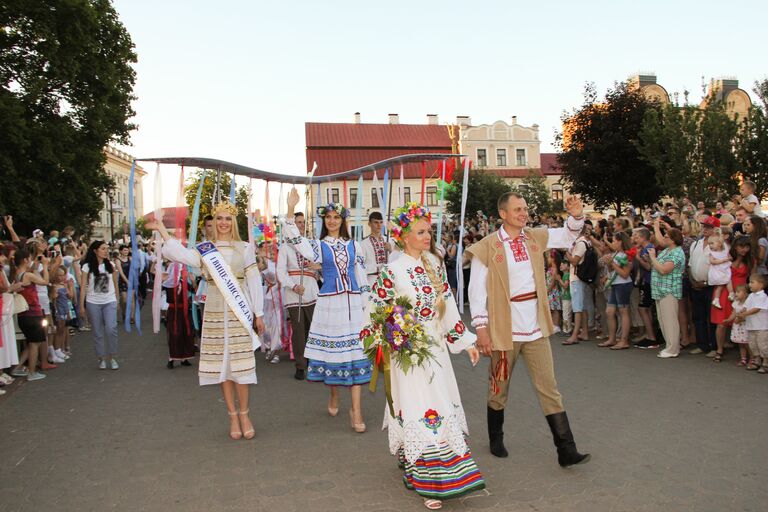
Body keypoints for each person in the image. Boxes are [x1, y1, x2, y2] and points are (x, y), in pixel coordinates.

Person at [365, 202, 484, 510]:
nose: (427, 236)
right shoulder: (393, 269)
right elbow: (378, 310)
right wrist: (398, 334)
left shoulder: (434, 263)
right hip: (409, 354)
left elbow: (448, 304)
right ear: (404, 237)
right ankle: (428, 479)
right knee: (420, 406)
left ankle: (442, 471)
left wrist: (465, 340)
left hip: (436, 350)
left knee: (440, 402)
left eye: (428, 231)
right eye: (420, 232)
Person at [466, 192, 590, 466]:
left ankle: (566, 449)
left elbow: (567, 236)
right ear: (503, 214)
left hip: (535, 326)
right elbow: (475, 292)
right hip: (502, 329)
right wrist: (481, 329)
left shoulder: (534, 236)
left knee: (549, 387)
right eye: (518, 209)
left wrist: (577, 215)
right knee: (499, 387)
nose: (524, 213)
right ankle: (495, 438)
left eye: (525, 209)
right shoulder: (487, 247)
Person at [146, 201, 265, 441]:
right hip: (214, 310)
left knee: (241, 366)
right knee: (223, 367)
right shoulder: (205, 249)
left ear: (234, 223)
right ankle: (232, 416)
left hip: (238, 311)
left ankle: (245, 414)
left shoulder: (245, 248)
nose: (223, 223)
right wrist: (162, 230)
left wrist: (258, 313)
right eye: (219, 218)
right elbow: (178, 254)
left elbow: (253, 281)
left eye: (228, 219)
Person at [283, 188, 371, 432]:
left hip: (353, 303)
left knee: (356, 355)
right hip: (331, 304)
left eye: (336, 217)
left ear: (343, 220)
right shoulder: (318, 246)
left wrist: (368, 307)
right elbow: (293, 238)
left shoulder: (354, 245)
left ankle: (357, 410)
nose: (332, 221)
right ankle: (334, 394)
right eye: (328, 217)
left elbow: (361, 276)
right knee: (334, 354)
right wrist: (291, 207)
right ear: (324, 221)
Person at [275, 211, 318, 380]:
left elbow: (319, 265)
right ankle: (300, 365)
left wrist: (316, 268)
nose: (300, 225)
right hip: (294, 294)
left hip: (312, 290)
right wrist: (293, 286)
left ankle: (314, 362)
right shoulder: (285, 247)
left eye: (302, 222)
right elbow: (280, 271)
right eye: (298, 222)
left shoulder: (310, 244)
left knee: (314, 329)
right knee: (299, 331)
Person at [79, 241, 120, 370]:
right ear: (95, 251)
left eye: (107, 249)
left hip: (109, 300)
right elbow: (83, 287)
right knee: (97, 331)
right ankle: (101, 358)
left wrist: (117, 300)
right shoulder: (87, 266)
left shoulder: (111, 265)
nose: (106, 251)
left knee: (111, 328)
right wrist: (81, 306)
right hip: (93, 302)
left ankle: (113, 357)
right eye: (103, 249)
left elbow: (115, 283)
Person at [10, 249, 50, 381]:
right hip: (33, 313)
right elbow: (45, 281)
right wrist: (44, 265)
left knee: (31, 343)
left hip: (23, 314)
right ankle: (31, 372)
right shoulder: (27, 275)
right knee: (35, 343)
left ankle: (18, 366)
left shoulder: (17, 274)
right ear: (26, 260)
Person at [647, 227, 686, 358]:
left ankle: (673, 348)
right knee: (663, 319)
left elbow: (664, 269)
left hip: (669, 289)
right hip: (660, 289)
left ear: (674, 239)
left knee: (670, 321)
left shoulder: (677, 253)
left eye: (667, 236)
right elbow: (657, 265)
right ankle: (669, 345)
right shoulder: (666, 251)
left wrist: (653, 257)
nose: (664, 238)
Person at [599, 232, 633, 349]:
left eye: (614, 241)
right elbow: (612, 270)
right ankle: (612, 338)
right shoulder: (616, 253)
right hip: (615, 284)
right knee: (609, 312)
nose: (612, 243)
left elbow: (624, 274)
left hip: (623, 284)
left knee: (624, 311)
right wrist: (608, 263)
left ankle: (624, 340)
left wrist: (612, 264)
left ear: (620, 242)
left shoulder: (627, 255)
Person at [162, 261, 196, 369]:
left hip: (184, 311)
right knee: (174, 334)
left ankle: (185, 358)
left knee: (186, 333)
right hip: (173, 312)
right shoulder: (168, 283)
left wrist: (193, 281)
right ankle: (171, 358)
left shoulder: (184, 282)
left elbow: (194, 290)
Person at [737, 274, 768, 373]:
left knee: (762, 345)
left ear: (761, 285)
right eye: (749, 282)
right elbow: (746, 306)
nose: (749, 284)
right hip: (751, 326)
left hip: (761, 327)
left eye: (752, 282)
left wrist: (744, 314)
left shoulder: (762, 296)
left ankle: (766, 363)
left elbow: (756, 309)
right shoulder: (751, 296)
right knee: (753, 344)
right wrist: (742, 311)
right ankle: (757, 361)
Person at [361, 211, 392, 288]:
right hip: (372, 280)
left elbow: (396, 260)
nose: (379, 225)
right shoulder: (363, 244)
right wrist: (376, 268)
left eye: (381, 222)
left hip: (388, 279)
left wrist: (390, 250)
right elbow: (361, 265)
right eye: (376, 222)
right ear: (369, 224)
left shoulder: (389, 240)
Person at [725, 284, 750, 366]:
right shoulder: (736, 303)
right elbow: (734, 313)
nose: (736, 294)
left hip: (745, 325)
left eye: (738, 292)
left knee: (747, 343)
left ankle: (753, 358)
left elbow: (745, 315)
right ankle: (743, 359)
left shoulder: (747, 303)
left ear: (746, 294)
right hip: (738, 326)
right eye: (736, 292)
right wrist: (729, 319)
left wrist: (739, 319)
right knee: (741, 343)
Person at [708, 230, 732, 310]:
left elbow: (729, 257)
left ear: (719, 243)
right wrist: (722, 261)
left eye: (712, 243)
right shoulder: (712, 253)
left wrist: (729, 258)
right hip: (717, 272)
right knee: (721, 284)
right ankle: (717, 299)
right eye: (709, 244)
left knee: (728, 280)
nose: (710, 246)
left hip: (724, 270)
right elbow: (712, 261)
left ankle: (731, 293)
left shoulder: (725, 251)